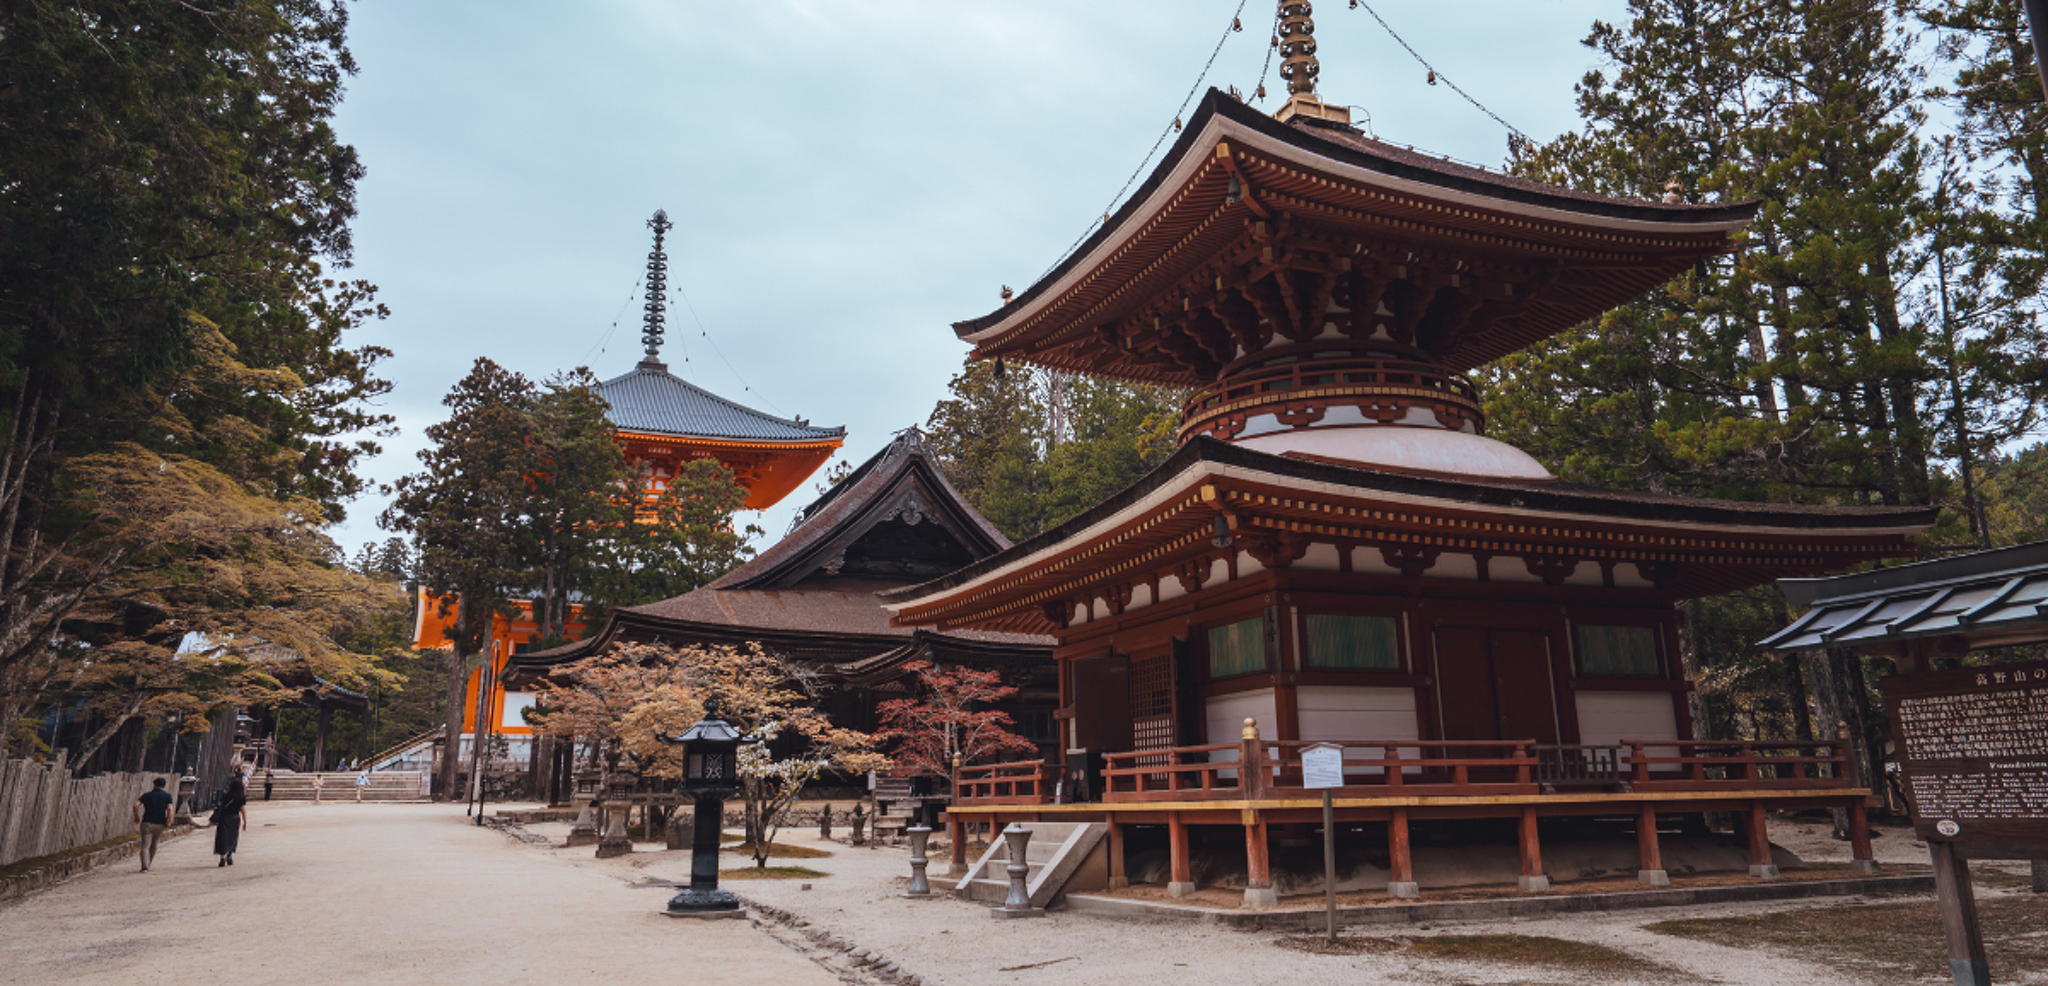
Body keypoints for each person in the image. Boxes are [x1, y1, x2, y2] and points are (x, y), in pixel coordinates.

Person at [133, 778, 174, 872]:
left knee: (145, 845)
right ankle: (148, 862)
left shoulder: (147, 795)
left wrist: (136, 816)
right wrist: (169, 821)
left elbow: (136, 805)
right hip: (160, 823)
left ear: (154, 784)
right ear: (164, 786)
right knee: (154, 844)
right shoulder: (167, 796)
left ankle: (144, 866)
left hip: (147, 822)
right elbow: (169, 809)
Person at [211, 775, 248, 867]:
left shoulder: (225, 795)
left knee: (222, 837)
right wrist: (245, 822)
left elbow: (219, 806)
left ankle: (222, 857)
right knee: (233, 837)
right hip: (235, 818)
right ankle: (229, 854)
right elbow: (243, 810)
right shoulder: (241, 797)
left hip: (224, 818)